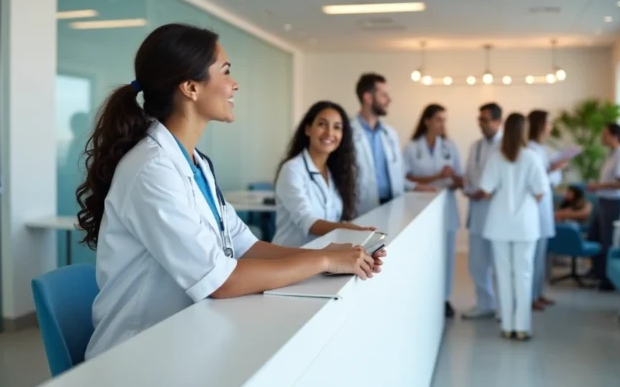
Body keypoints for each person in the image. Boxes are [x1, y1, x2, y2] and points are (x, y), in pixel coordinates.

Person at [75, 24, 385, 359]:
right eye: (225, 71)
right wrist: (322, 259)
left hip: (186, 336)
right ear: (191, 87)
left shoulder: (196, 164)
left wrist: (328, 257)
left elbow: (245, 246)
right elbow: (220, 281)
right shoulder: (152, 170)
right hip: (136, 354)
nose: (234, 84)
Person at [480, 113, 549, 341]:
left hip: (499, 223)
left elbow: (486, 191)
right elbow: (540, 192)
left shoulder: (495, 157)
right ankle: (522, 328)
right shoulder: (532, 157)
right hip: (525, 225)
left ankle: (507, 326)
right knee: (524, 274)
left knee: (503, 274)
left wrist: (502, 201)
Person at [273, 101, 375, 247]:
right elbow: (308, 221)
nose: (329, 133)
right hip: (290, 255)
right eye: (322, 124)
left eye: (337, 127)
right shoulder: (292, 170)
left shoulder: (334, 172)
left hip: (320, 255)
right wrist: (348, 229)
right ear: (308, 129)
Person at [404, 103, 463, 318]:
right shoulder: (412, 147)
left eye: (444, 120)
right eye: (438, 119)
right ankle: (424, 298)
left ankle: (444, 299)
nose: (442, 124)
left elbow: (459, 180)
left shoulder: (450, 146)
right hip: (419, 207)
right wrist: (437, 176)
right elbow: (405, 178)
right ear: (427, 121)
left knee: (447, 257)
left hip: (446, 205)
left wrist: (453, 177)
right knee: (424, 256)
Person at [351, 73, 435, 216]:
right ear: (368, 98)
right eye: (384, 95)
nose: (389, 100)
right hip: (361, 209)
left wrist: (416, 186)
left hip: (392, 205)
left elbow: (397, 177)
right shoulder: (348, 133)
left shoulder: (390, 134)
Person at [461, 102, 503, 320]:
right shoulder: (475, 146)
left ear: (498, 121)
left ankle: (503, 308)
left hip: (497, 213)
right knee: (477, 263)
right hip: (477, 211)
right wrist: (468, 189)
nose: (481, 124)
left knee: (499, 264)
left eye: (485, 120)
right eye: (480, 120)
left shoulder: (506, 146)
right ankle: (484, 304)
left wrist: (487, 192)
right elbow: (468, 175)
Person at [526, 110, 569, 311]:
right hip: (534, 208)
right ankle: (530, 296)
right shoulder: (530, 149)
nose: (551, 127)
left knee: (541, 255)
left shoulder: (541, 149)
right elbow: (532, 178)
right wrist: (551, 169)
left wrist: (554, 169)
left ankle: (538, 293)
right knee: (534, 256)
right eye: (548, 123)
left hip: (543, 206)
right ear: (540, 125)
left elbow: (549, 180)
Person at [586, 123, 620, 291]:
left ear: (615, 136)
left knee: (607, 239)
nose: (602, 137)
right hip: (603, 200)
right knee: (595, 235)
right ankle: (597, 271)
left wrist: (597, 186)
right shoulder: (611, 154)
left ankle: (607, 279)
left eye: (605, 134)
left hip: (614, 202)